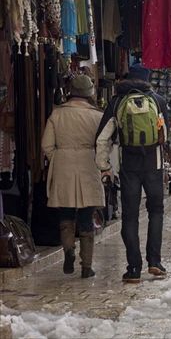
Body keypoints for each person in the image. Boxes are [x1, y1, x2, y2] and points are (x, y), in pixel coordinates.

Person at [95, 63, 169, 283]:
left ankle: (133, 269)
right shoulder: (158, 100)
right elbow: (164, 134)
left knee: (130, 216)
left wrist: (104, 165)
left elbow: (102, 138)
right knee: (156, 212)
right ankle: (155, 262)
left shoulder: (117, 101)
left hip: (129, 165)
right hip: (153, 164)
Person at [41, 75, 104, 278]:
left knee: (66, 214)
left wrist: (59, 158)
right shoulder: (97, 116)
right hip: (88, 165)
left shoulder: (57, 114)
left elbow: (46, 146)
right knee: (86, 216)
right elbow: (103, 144)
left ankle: (68, 250)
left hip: (63, 167)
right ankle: (87, 266)